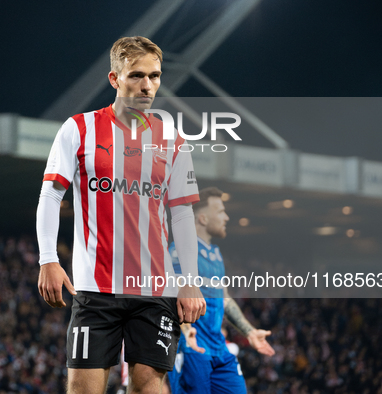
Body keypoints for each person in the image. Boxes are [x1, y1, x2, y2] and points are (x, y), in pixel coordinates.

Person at [36, 36, 206, 394]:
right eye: (137, 75)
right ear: (114, 78)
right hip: (95, 291)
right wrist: (48, 259)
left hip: (156, 291)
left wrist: (190, 280)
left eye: (155, 76)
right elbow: (51, 194)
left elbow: (183, 215)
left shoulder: (173, 141)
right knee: (83, 389)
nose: (147, 85)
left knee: (150, 388)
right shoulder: (78, 129)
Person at [167, 187, 275, 394]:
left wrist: (249, 331)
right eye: (220, 211)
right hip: (193, 348)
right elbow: (174, 297)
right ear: (204, 219)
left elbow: (224, 298)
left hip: (219, 348)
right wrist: (186, 331)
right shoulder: (181, 251)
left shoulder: (215, 254)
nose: (226, 217)